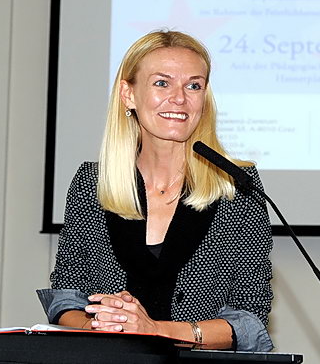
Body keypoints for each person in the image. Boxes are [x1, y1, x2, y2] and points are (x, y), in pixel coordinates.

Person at [37, 30, 274, 352]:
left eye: (194, 86)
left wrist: (155, 330)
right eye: (162, 83)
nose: (179, 98)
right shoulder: (91, 183)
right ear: (128, 95)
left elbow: (250, 319)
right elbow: (67, 297)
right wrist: (99, 326)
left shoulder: (236, 186)